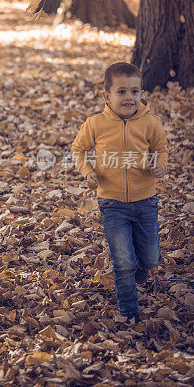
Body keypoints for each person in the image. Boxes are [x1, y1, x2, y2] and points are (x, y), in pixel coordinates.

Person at [71, 62, 168, 324]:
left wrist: (159, 165)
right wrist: (88, 171)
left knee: (149, 257)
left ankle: (142, 267)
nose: (129, 98)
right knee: (123, 262)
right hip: (112, 202)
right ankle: (129, 314)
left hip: (146, 199)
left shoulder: (150, 122)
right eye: (122, 92)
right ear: (107, 96)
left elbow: (160, 147)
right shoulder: (95, 124)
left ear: (141, 93)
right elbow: (79, 149)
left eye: (135, 92)